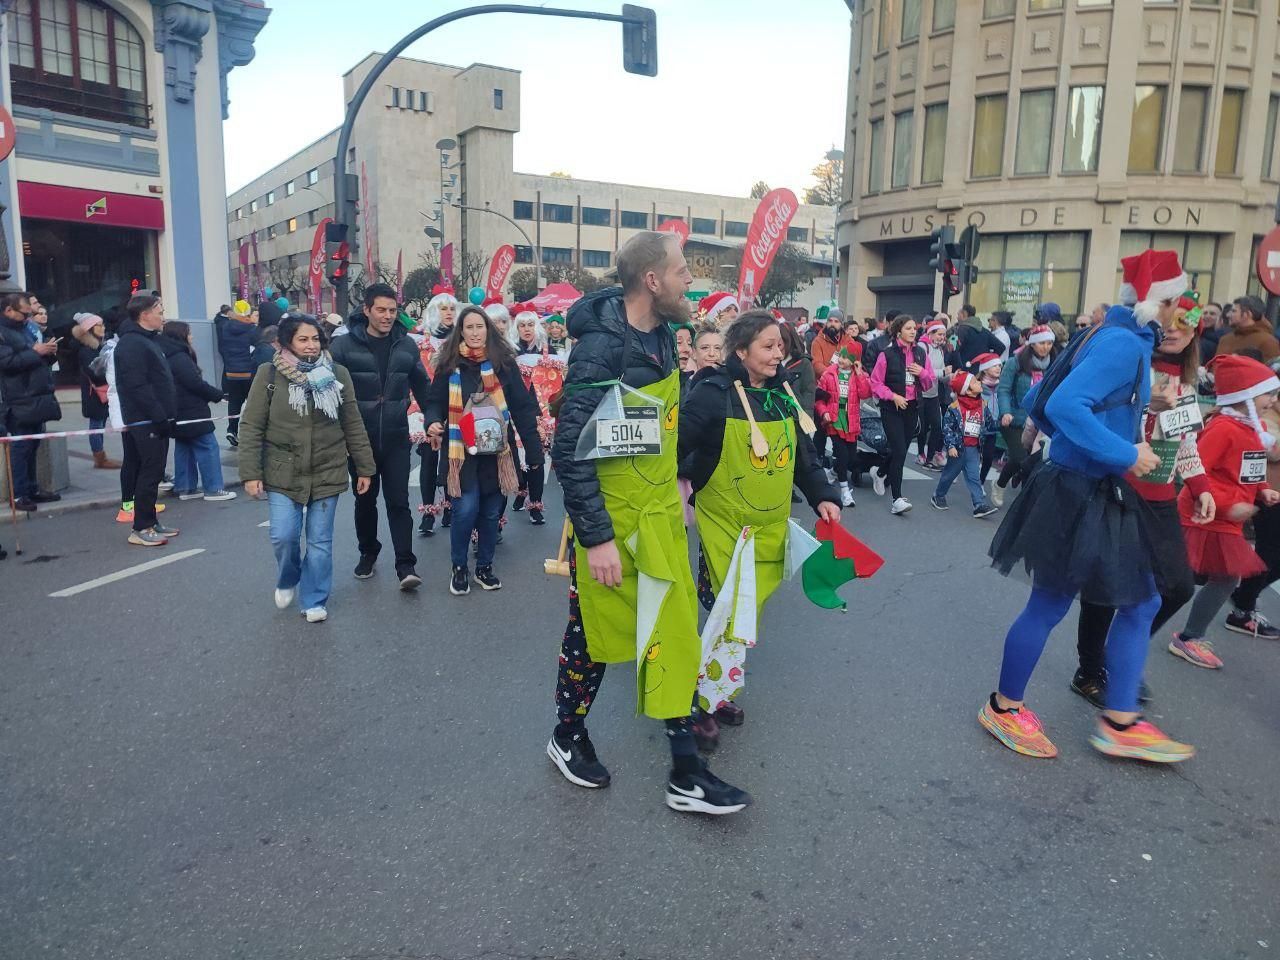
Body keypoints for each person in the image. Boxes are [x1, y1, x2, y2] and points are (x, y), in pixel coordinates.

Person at [547, 230, 751, 814]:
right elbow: (572, 450)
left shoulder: (663, 337)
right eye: (684, 271)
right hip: (613, 522)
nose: (693, 281)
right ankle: (567, 735)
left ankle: (685, 772)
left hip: (657, 517)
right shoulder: (601, 348)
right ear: (653, 280)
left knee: (674, 636)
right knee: (591, 638)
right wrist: (598, 539)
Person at [984, 248, 1194, 763]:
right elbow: (1059, 405)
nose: (1178, 314)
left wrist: (1145, 406)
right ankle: (1007, 709)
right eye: (1173, 303)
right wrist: (1126, 451)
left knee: (1137, 601)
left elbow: (1053, 401)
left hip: (1085, 487)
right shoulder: (1124, 342)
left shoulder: (1110, 334)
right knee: (1063, 604)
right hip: (1083, 489)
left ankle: (1118, 719)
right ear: (1154, 303)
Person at [678, 311, 840, 744]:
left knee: (745, 614)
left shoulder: (783, 396)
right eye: (767, 346)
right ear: (742, 351)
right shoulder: (712, 393)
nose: (777, 353)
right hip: (723, 526)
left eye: (780, 345)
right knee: (724, 610)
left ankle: (717, 687)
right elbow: (677, 447)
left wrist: (824, 494)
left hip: (768, 529)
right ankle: (700, 699)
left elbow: (804, 455)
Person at [1071, 289, 1214, 706]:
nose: (1174, 331)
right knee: (1106, 586)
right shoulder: (1130, 360)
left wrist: (1202, 486)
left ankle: (1121, 656)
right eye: (1170, 320)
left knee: (1178, 586)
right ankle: (1090, 669)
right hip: (1117, 486)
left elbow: (1184, 442)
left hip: (1160, 495)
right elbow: (1093, 419)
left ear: (1193, 335)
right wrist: (1144, 405)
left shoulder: (1188, 383)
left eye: (1185, 326)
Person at [238, 315, 375, 623]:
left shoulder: (337, 373)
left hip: (328, 469)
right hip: (282, 469)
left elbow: (352, 422)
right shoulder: (269, 374)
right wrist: (251, 473)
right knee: (283, 536)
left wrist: (364, 467)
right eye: (303, 339)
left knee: (319, 542)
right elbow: (251, 426)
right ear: (287, 342)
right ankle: (289, 577)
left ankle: (314, 598)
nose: (311, 345)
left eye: (315, 339)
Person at [1164, 354, 1280, 670]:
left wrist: (1261, 491)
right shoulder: (1224, 428)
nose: (1273, 399)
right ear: (1245, 395)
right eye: (1268, 393)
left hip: (1225, 518)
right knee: (1183, 578)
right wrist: (1230, 505)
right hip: (1205, 513)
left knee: (1220, 578)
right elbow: (1195, 471)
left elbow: (1248, 472)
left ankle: (1189, 636)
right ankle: (1179, 635)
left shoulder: (1251, 428)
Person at [423, 305, 543, 595]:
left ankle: (484, 567)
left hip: (497, 453)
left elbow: (522, 409)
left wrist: (534, 452)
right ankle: (459, 567)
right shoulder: (449, 364)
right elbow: (434, 402)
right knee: (465, 510)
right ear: (460, 331)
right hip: (461, 452)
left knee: (491, 513)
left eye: (480, 327)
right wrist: (432, 422)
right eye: (469, 327)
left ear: (488, 330)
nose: (475, 333)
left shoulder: (504, 363)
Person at [329, 283, 432, 590]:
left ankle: (406, 565)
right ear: (367, 311)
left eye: (392, 310)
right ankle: (368, 552)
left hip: (397, 437)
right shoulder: (343, 347)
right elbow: (330, 394)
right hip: (361, 442)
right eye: (381, 310)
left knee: (399, 501)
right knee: (365, 502)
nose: (388, 316)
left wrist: (435, 419)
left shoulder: (407, 345)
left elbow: (423, 386)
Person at [113, 294, 180, 546]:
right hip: (145, 421)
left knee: (153, 472)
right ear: (144, 315)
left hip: (154, 419)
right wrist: (158, 415)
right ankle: (141, 527)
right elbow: (137, 386)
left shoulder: (146, 341)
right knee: (149, 473)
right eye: (159, 311)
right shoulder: (132, 344)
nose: (163, 316)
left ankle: (150, 521)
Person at [158, 321, 236, 502]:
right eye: (189, 333)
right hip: (191, 410)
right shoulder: (180, 357)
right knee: (208, 446)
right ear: (181, 335)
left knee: (184, 447)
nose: (192, 336)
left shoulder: (167, 354)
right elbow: (194, 383)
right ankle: (214, 488)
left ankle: (186, 488)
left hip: (178, 409)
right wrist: (217, 395)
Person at [0, 292, 61, 511]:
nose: (27, 317)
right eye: (23, 314)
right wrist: (36, 352)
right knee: (20, 447)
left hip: (36, 395)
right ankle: (19, 494)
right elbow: (7, 363)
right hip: (18, 398)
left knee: (33, 445)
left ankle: (32, 488)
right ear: (8, 310)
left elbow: (34, 355)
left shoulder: (24, 328)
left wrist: (48, 352)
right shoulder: (3, 332)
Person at [869, 315, 935, 515]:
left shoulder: (921, 353)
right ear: (899, 332)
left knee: (901, 451)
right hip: (892, 408)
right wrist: (893, 396)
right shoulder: (887, 355)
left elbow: (930, 381)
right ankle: (897, 499)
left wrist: (922, 373)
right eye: (908, 328)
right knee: (898, 450)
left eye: (914, 328)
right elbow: (875, 382)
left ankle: (880, 473)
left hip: (913, 408)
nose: (913, 331)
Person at [991, 325, 1060, 506]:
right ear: (1033, 344)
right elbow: (1004, 390)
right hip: (1015, 419)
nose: (1046, 347)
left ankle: (1024, 502)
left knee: (1034, 462)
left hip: (1041, 421)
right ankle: (1000, 484)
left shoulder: (1055, 363)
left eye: (1049, 343)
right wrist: (1005, 412)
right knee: (1020, 458)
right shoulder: (1016, 362)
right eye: (1042, 343)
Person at [414, 286, 457, 537]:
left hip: (454, 405)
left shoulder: (460, 340)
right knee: (429, 459)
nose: (449, 313)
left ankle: (450, 506)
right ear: (433, 312)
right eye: (443, 308)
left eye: (452, 308)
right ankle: (429, 511)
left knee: (453, 459)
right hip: (427, 406)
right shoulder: (421, 342)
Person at [931, 370, 999, 517]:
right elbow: (947, 428)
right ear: (967, 390)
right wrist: (950, 446)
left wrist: (995, 428)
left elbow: (988, 424)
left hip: (973, 449)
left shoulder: (982, 404)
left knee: (974, 476)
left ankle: (979, 504)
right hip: (958, 448)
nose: (979, 382)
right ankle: (938, 495)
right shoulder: (955, 408)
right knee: (949, 474)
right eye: (975, 382)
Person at [815, 346, 872, 507]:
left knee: (851, 457)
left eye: (846, 358)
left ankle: (832, 472)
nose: (841, 360)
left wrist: (860, 373)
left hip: (851, 420)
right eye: (841, 356)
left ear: (854, 361)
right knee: (841, 455)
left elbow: (866, 393)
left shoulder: (858, 375)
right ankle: (845, 491)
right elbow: (819, 398)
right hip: (834, 419)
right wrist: (824, 412)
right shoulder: (829, 373)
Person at [70, 312, 120, 470]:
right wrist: (110, 372)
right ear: (90, 329)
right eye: (99, 325)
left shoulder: (98, 345)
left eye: (103, 324)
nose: (103, 328)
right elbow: (94, 373)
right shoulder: (86, 349)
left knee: (100, 423)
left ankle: (100, 456)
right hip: (94, 393)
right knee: (96, 425)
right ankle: (99, 458)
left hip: (100, 392)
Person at [217, 300, 258, 448]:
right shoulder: (251, 329)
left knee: (234, 401)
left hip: (232, 372)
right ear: (247, 312)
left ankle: (231, 430)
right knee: (253, 404)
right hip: (249, 372)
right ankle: (251, 432)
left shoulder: (226, 327)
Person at [916, 318, 950, 471]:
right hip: (920, 393)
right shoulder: (922, 347)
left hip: (934, 394)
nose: (942, 338)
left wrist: (951, 377)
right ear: (930, 333)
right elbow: (923, 372)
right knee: (922, 428)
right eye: (939, 334)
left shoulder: (939, 350)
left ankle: (930, 458)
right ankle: (920, 453)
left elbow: (941, 376)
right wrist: (943, 372)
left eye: (943, 335)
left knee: (937, 425)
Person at [1215, 295, 1280, 362]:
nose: (1227, 315)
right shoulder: (1225, 339)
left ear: (1247, 314)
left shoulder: (1268, 342)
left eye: (1234, 311)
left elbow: (1271, 370)